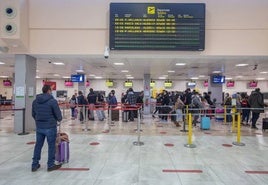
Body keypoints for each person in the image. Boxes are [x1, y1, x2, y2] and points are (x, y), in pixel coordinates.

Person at [31, 85, 62, 172]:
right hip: (50, 127)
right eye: (51, 90)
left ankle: (34, 164)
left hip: (39, 127)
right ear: (49, 91)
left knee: (38, 145)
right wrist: (59, 119)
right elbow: (58, 114)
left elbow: (33, 114)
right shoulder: (52, 101)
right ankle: (50, 165)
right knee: (51, 146)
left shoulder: (35, 101)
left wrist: (39, 121)